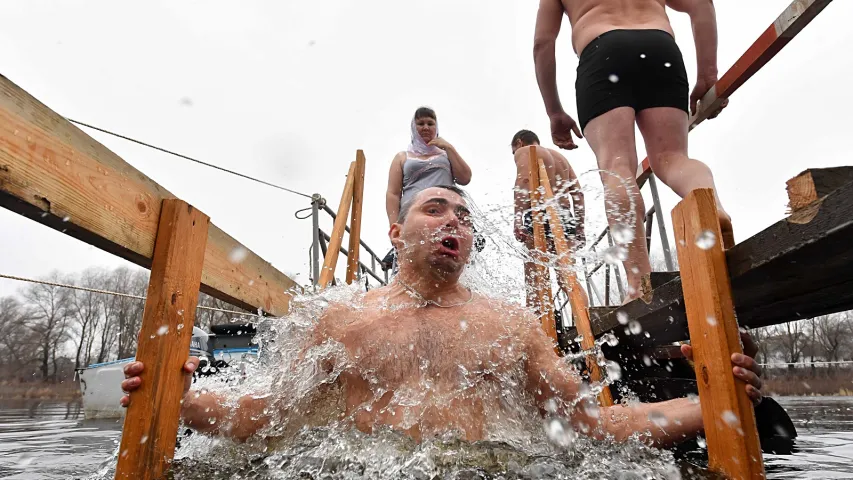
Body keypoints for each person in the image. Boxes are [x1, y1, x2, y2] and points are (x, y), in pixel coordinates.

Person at [121, 186, 763, 446]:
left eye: (462, 214)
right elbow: (269, 417)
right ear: (396, 232)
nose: (453, 219)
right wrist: (174, 398)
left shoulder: (509, 325)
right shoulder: (341, 321)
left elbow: (590, 424)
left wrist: (718, 403)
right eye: (435, 209)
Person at [532, 0, 733, 301]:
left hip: (602, 52)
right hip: (659, 47)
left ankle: (639, 284)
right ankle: (710, 206)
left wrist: (554, 111)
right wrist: (707, 73)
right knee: (673, 159)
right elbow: (702, 5)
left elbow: (542, 43)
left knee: (617, 166)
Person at [381, 107, 473, 271]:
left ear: (436, 127)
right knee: (411, 262)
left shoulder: (445, 155)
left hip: (445, 215)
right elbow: (393, 194)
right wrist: (395, 225)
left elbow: (465, 178)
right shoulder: (403, 157)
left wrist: (449, 148)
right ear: (413, 127)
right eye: (420, 123)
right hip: (415, 216)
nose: (425, 127)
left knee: (448, 258)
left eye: (430, 123)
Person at [510, 129, 585, 307]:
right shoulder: (560, 158)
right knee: (567, 277)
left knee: (535, 280)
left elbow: (524, 181)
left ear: (519, 142)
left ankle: (541, 331)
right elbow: (578, 195)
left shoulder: (525, 151)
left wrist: (517, 220)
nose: (515, 155)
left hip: (538, 213)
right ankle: (587, 324)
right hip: (565, 215)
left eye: (514, 151)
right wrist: (580, 227)